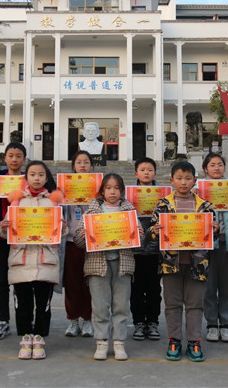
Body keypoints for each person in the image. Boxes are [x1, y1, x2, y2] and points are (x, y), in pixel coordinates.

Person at [149, 161, 217, 362]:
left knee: (195, 304)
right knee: (172, 303)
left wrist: (215, 229)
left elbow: (214, 234)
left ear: (195, 181)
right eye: (179, 178)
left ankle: (195, 341)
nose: (183, 182)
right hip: (170, 263)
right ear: (171, 180)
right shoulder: (163, 205)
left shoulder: (205, 206)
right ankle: (174, 340)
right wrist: (155, 231)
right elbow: (153, 235)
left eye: (188, 178)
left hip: (198, 263)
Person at [0, 161, 65, 360]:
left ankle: (40, 337)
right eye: (33, 174)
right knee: (23, 303)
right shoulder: (17, 202)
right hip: (22, 261)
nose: (37, 178)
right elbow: (4, 234)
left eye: (41, 174)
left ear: (46, 178)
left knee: (43, 303)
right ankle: (26, 337)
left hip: (46, 261)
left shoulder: (53, 202)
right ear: (26, 178)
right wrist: (4, 226)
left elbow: (62, 234)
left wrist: (61, 226)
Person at [75, 173, 140, 361]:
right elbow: (79, 241)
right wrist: (85, 233)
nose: (113, 191)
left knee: (120, 305)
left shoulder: (129, 211)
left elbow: (138, 241)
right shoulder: (91, 212)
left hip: (123, 263)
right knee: (100, 306)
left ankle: (119, 343)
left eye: (116, 188)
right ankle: (101, 342)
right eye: (109, 188)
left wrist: (139, 233)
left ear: (122, 191)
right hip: (97, 265)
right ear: (102, 191)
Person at [0, 142, 26, 340]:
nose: (14, 159)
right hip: (0, 237)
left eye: (18, 156)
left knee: (21, 282)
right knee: (1, 281)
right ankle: (3, 321)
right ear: (5, 158)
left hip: (21, 237)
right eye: (11, 155)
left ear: (24, 159)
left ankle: (22, 322)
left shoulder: (28, 180)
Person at [201, 153, 228, 343]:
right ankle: (212, 324)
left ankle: (225, 323)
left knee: (227, 286)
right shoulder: (199, 189)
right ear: (206, 168)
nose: (217, 168)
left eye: (220, 164)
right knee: (208, 286)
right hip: (207, 244)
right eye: (212, 165)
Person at [60, 150, 94, 338]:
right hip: (71, 241)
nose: (82, 165)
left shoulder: (98, 188)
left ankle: (88, 319)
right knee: (72, 283)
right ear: (73, 165)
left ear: (91, 165)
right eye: (79, 162)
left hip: (91, 243)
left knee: (89, 283)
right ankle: (73, 319)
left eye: (86, 162)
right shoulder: (65, 186)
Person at [130, 157, 162, 341]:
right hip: (135, 250)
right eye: (142, 169)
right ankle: (138, 323)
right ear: (136, 173)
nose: (146, 173)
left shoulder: (163, 196)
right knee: (136, 289)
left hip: (155, 250)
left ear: (155, 173)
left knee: (154, 290)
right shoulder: (129, 196)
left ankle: (153, 322)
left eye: (150, 169)